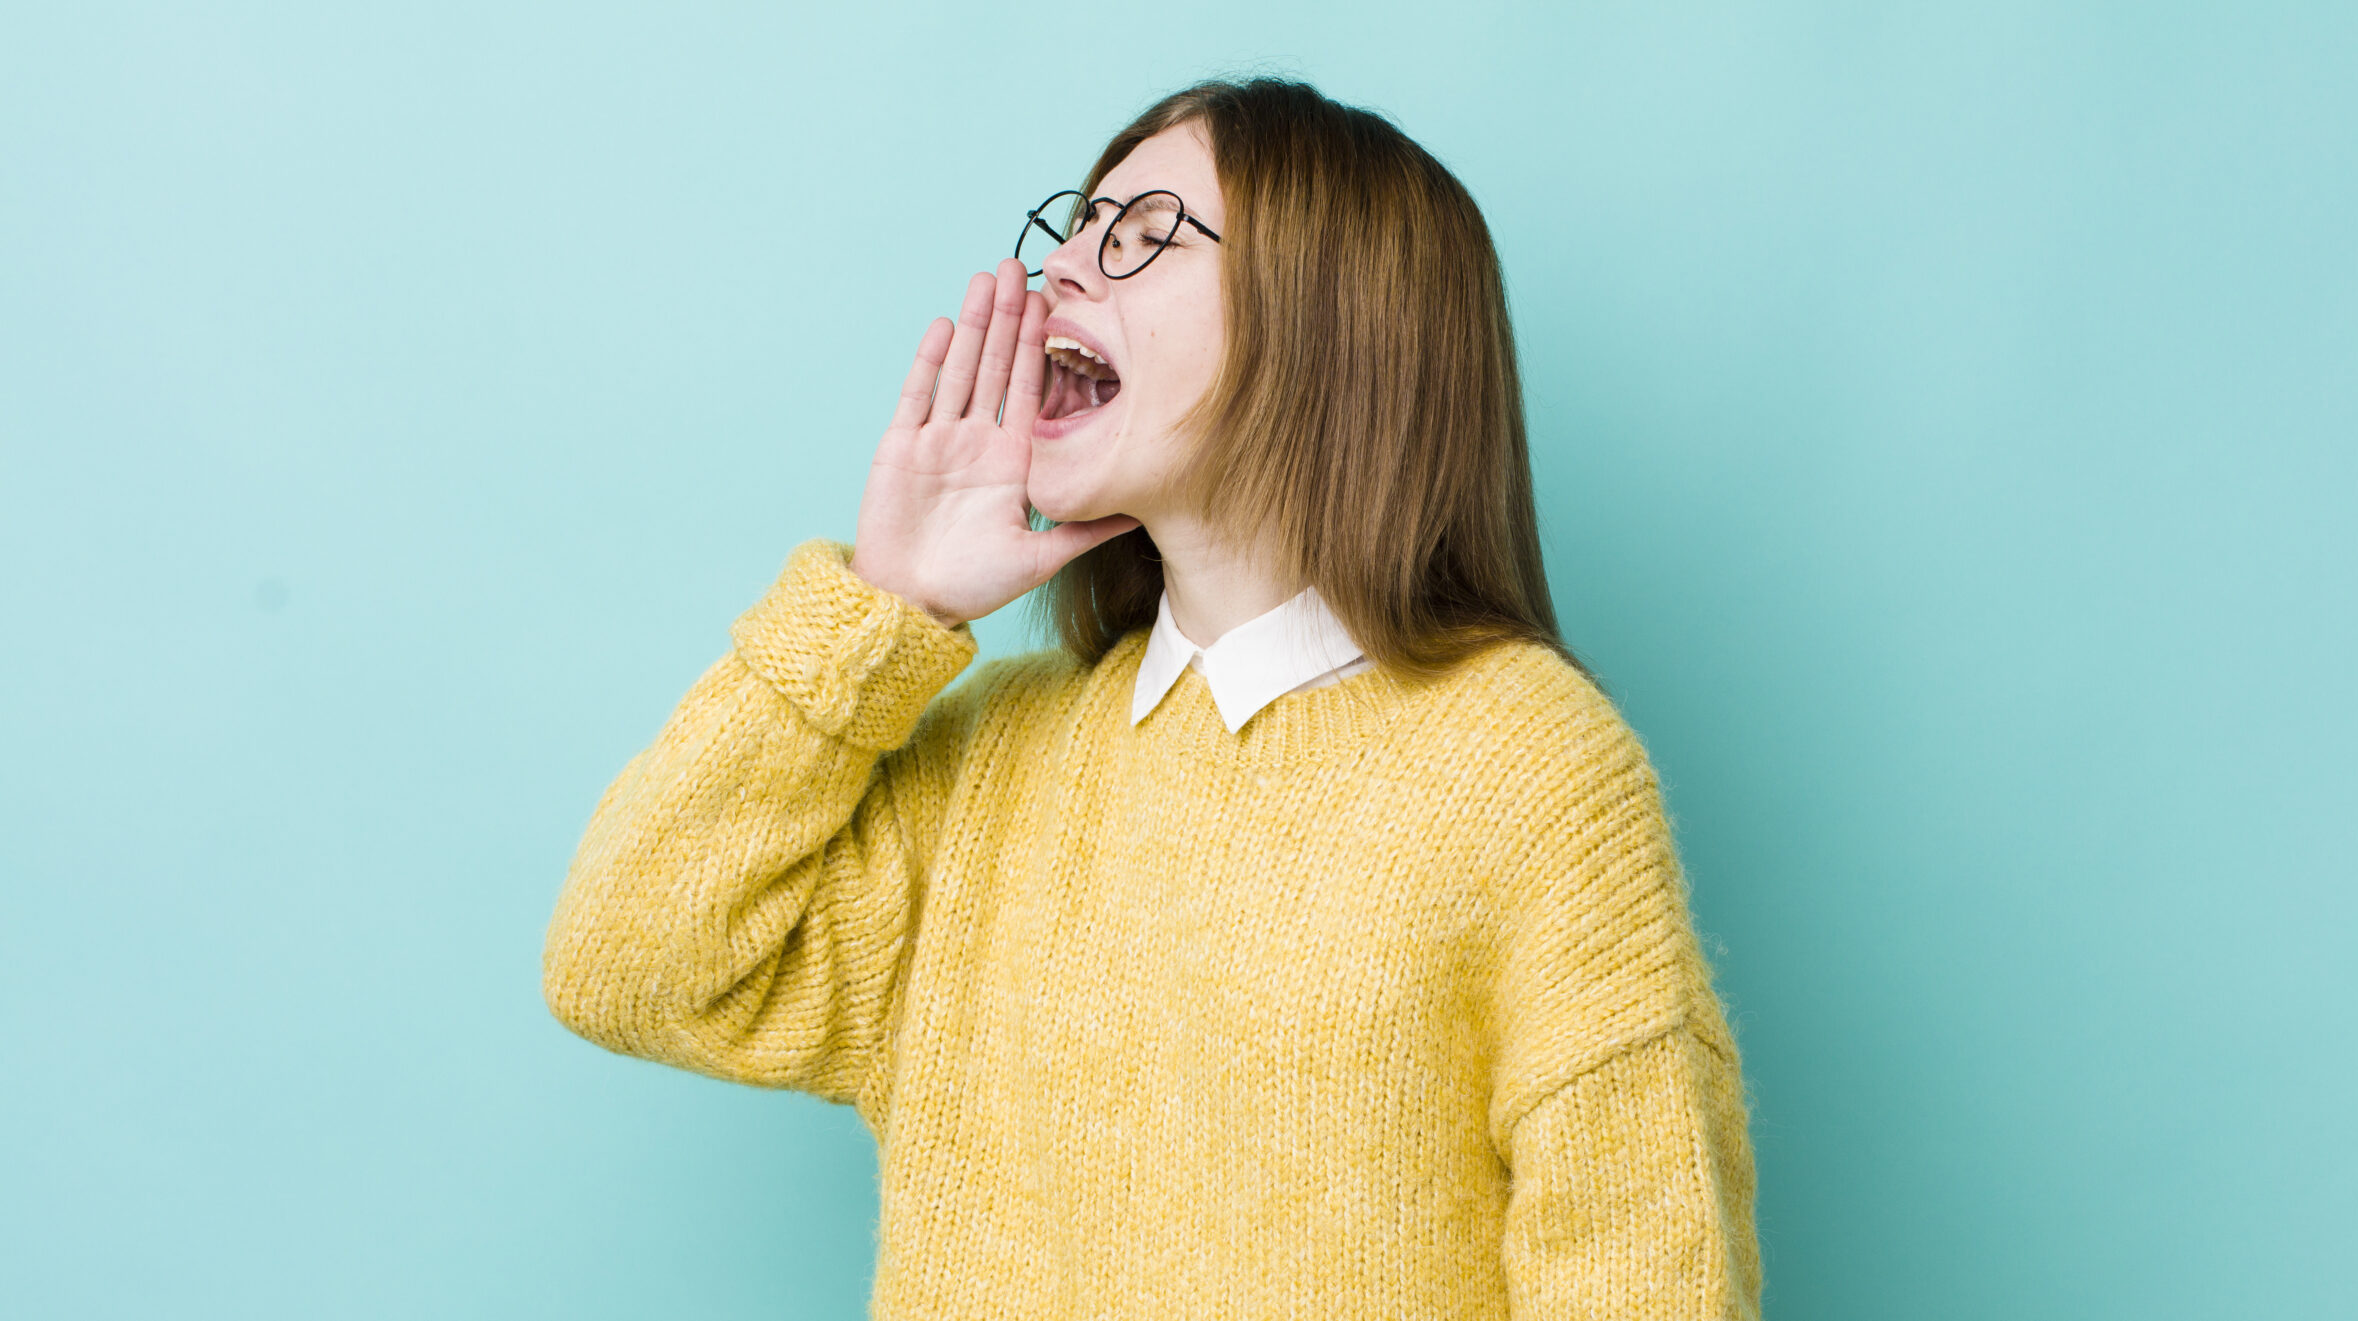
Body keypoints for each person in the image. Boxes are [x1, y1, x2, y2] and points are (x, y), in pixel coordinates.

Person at [543, 76, 1762, 1319]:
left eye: (1140, 234)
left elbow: (1641, 1276)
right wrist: (886, 606)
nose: (1061, 268)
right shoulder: (993, 762)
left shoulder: (1533, 769)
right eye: (1077, 223)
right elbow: (627, 962)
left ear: (1332, 319)